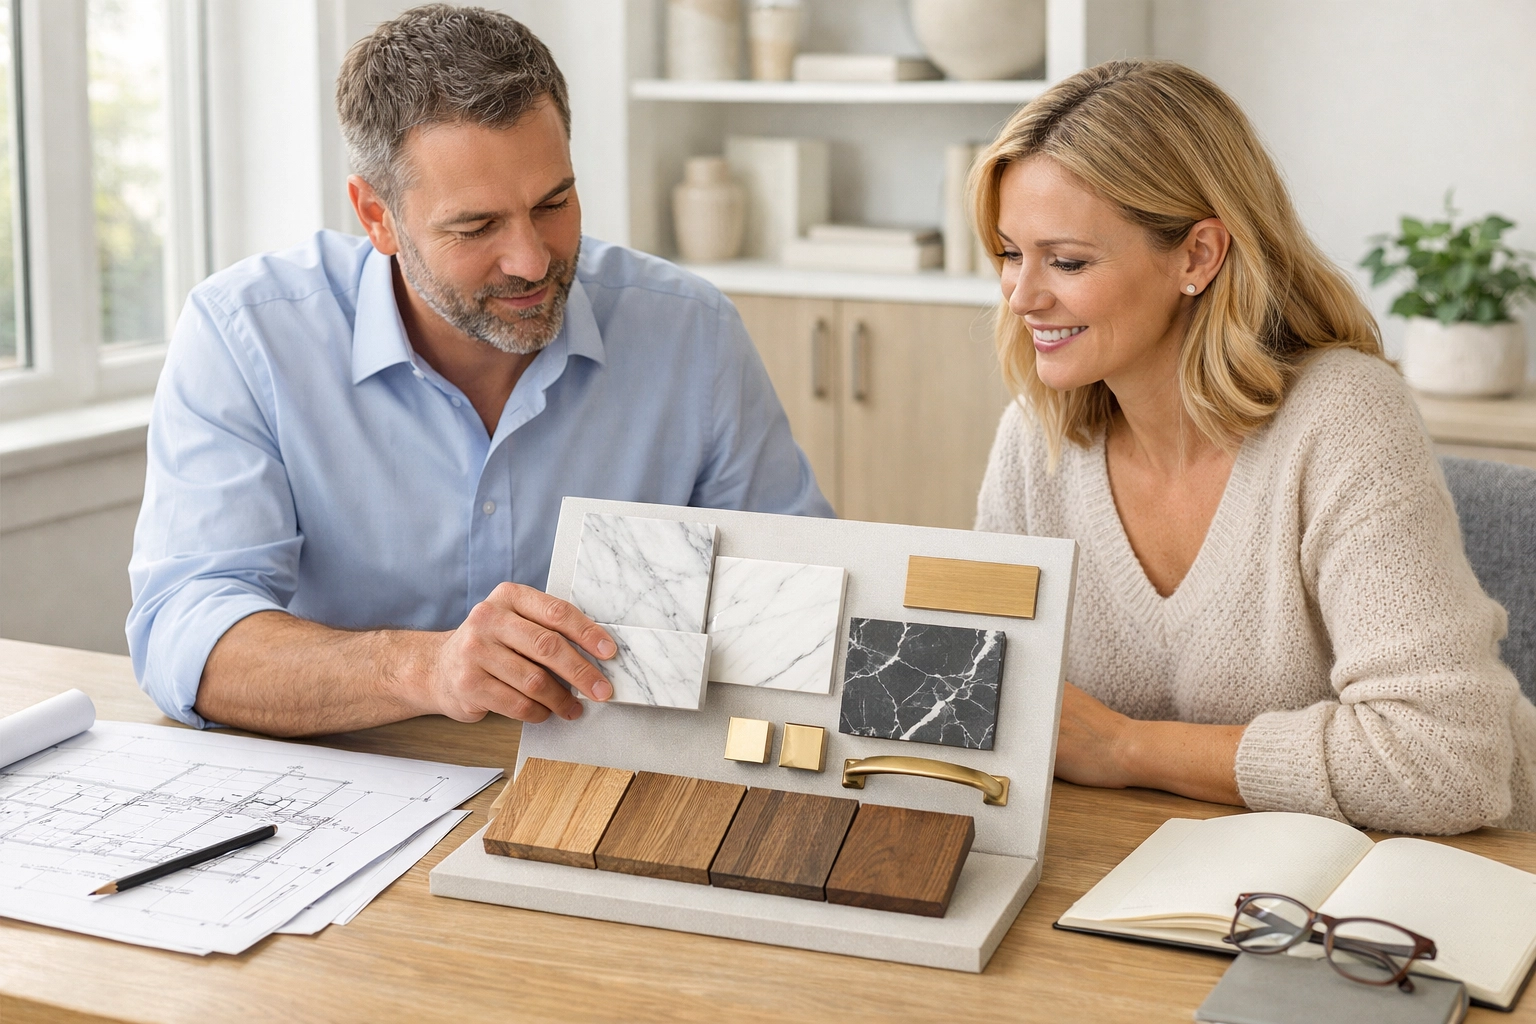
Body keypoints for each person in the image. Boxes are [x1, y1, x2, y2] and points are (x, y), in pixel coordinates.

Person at [127, 5, 831, 737]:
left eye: (553, 203)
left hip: (607, 780)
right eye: (476, 227)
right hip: (352, 778)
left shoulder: (691, 332)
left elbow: (801, 601)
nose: (531, 260)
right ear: (377, 217)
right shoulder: (246, 336)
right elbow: (187, 633)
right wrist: (423, 669)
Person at [970, 59, 1536, 834]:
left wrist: (1129, 748)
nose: (1023, 295)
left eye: (1066, 261)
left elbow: (1445, 761)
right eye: (1009, 253)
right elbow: (989, 692)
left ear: (1198, 256)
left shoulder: (1343, 419)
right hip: (1154, 866)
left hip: (1439, 878)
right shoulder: (1035, 441)